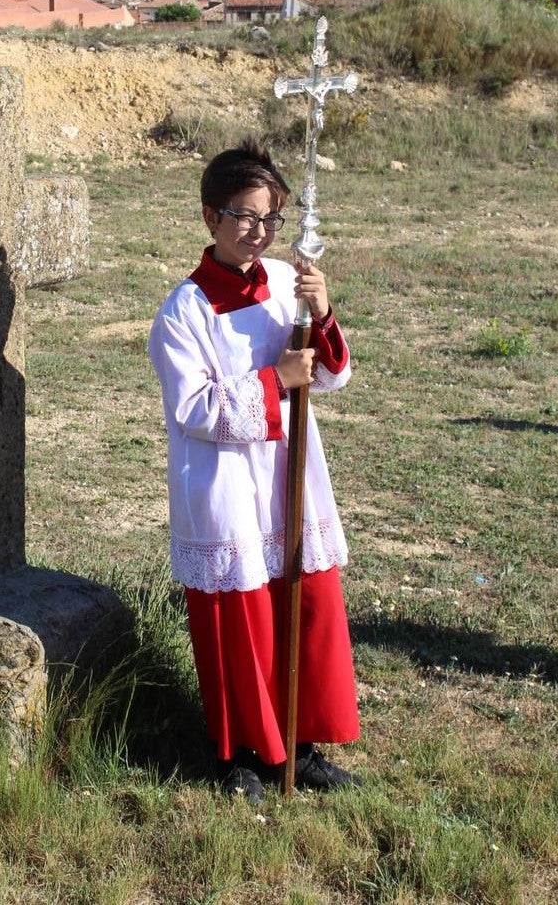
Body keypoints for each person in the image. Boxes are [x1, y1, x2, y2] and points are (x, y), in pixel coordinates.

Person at [148, 136, 360, 801]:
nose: (257, 232)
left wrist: (320, 314)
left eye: (270, 219)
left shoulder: (280, 291)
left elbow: (328, 374)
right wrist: (275, 382)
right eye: (243, 216)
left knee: (302, 602)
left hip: (286, 471)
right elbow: (196, 410)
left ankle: (301, 742)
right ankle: (240, 753)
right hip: (225, 485)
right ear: (210, 217)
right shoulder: (182, 313)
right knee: (240, 618)